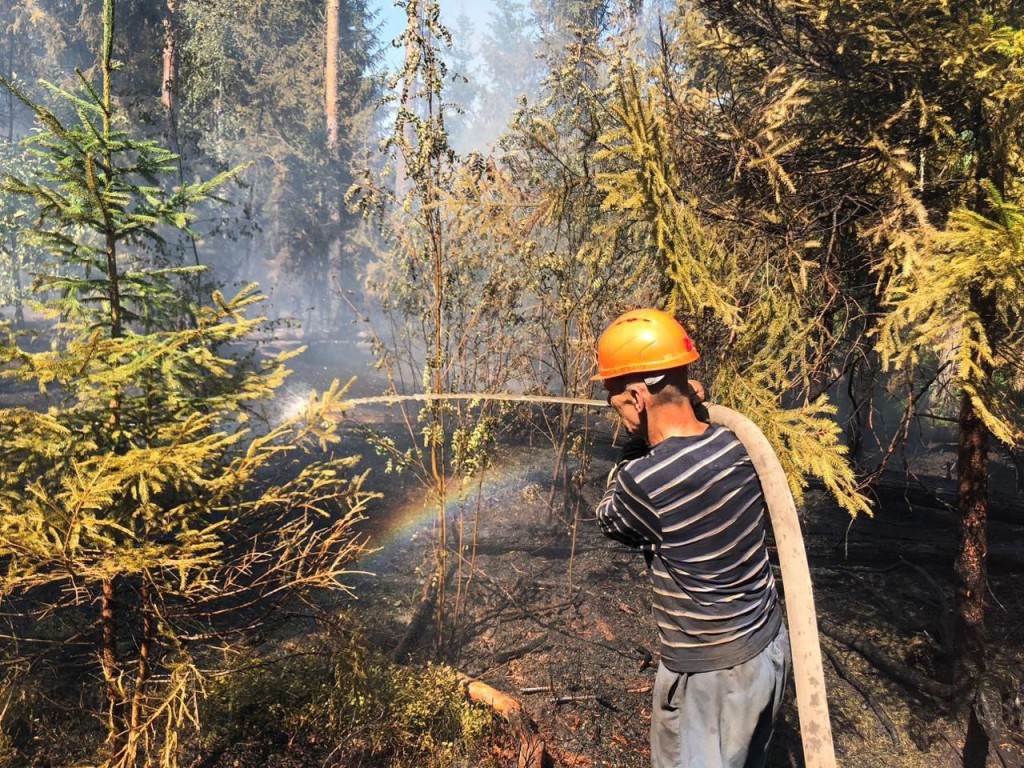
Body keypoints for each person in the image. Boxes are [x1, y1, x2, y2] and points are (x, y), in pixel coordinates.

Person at [592, 308, 790, 768]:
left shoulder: (644, 481)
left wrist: (632, 445)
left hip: (709, 678)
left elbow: (610, 516)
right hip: (765, 647)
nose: (616, 412)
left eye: (614, 401)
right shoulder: (734, 445)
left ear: (639, 398)